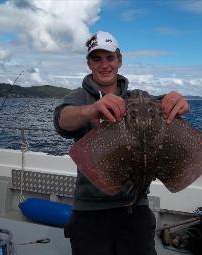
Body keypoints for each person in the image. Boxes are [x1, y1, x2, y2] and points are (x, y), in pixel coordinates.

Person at [53, 31, 190, 255]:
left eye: (110, 58)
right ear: (89, 63)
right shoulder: (79, 97)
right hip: (90, 209)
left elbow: (162, 104)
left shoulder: (136, 98)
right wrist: (94, 109)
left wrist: (176, 100)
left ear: (120, 61)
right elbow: (62, 119)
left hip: (136, 206)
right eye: (97, 58)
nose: (104, 65)